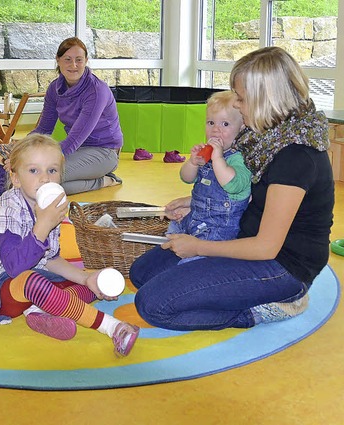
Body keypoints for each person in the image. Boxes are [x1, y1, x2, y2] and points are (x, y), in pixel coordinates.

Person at [129, 46, 333, 331]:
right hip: (245, 237)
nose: (236, 105)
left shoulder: (297, 156)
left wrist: (198, 247)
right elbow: (244, 191)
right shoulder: (263, 135)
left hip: (282, 266)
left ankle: (271, 307)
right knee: (142, 274)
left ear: (266, 99)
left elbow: (265, 247)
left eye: (241, 98)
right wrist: (197, 201)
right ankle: (226, 291)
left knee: (153, 305)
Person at [0, 133, 139, 357]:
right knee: (32, 281)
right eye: (33, 170)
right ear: (16, 177)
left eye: (52, 170)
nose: (44, 179)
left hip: (34, 278)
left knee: (91, 285)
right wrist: (43, 224)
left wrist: (86, 278)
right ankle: (113, 327)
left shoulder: (52, 206)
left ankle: (40, 312)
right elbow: (13, 267)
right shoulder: (9, 207)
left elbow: (50, 258)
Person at [29, 37, 123, 195]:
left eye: (79, 60)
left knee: (43, 179)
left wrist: (41, 159)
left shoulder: (96, 90)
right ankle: (94, 177)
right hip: (77, 150)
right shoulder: (54, 88)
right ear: (58, 60)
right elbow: (44, 128)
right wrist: (22, 150)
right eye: (67, 59)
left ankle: (103, 180)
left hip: (105, 152)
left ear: (86, 61)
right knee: (38, 183)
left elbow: (75, 137)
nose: (73, 65)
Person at [167, 91, 251, 247]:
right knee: (170, 235)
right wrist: (192, 163)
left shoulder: (239, 158)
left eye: (225, 124)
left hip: (218, 233)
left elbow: (233, 184)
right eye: (211, 123)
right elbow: (186, 178)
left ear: (241, 128)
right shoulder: (207, 153)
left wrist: (217, 158)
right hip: (195, 220)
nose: (215, 129)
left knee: (189, 261)